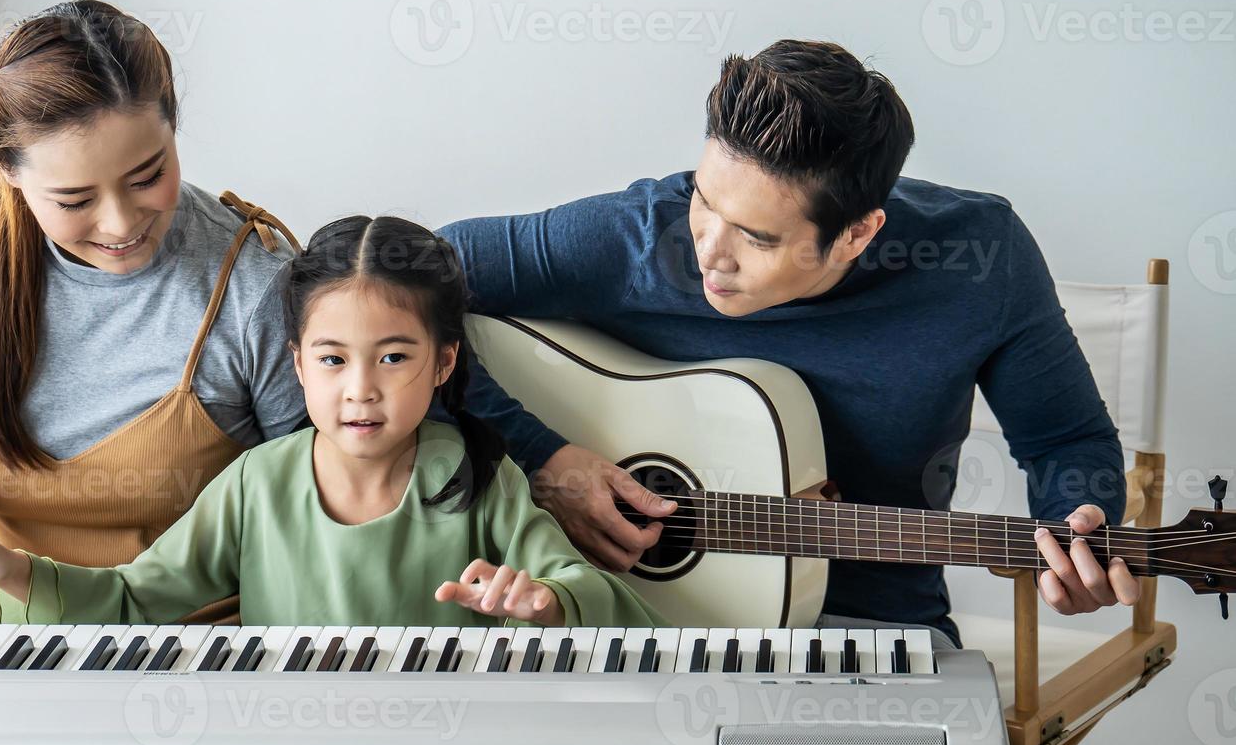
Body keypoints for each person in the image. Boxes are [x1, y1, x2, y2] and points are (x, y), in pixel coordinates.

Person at [438, 40, 1137, 649]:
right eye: (706, 201)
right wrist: (543, 458)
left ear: (858, 234)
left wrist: (1079, 523)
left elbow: (1067, 441)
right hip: (609, 616)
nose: (709, 251)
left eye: (757, 236)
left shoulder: (983, 259)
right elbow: (377, 291)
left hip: (868, 629)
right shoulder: (637, 233)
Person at [0, 214, 668, 629]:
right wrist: (10, 571)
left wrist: (543, 602)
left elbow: (594, 596)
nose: (360, 389)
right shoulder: (258, 483)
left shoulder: (476, 477)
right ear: (296, 365)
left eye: (394, 358)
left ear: (444, 363)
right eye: (333, 360)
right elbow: (134, 599)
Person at [0, 0, 305, 624]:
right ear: (10, 173)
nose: (121, 222)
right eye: (74, 198)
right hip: (19, 657)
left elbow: (320, 521)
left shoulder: (255, 280)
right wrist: (26, 696)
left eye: (147, 175)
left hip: (218, 652)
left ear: (173, 129)